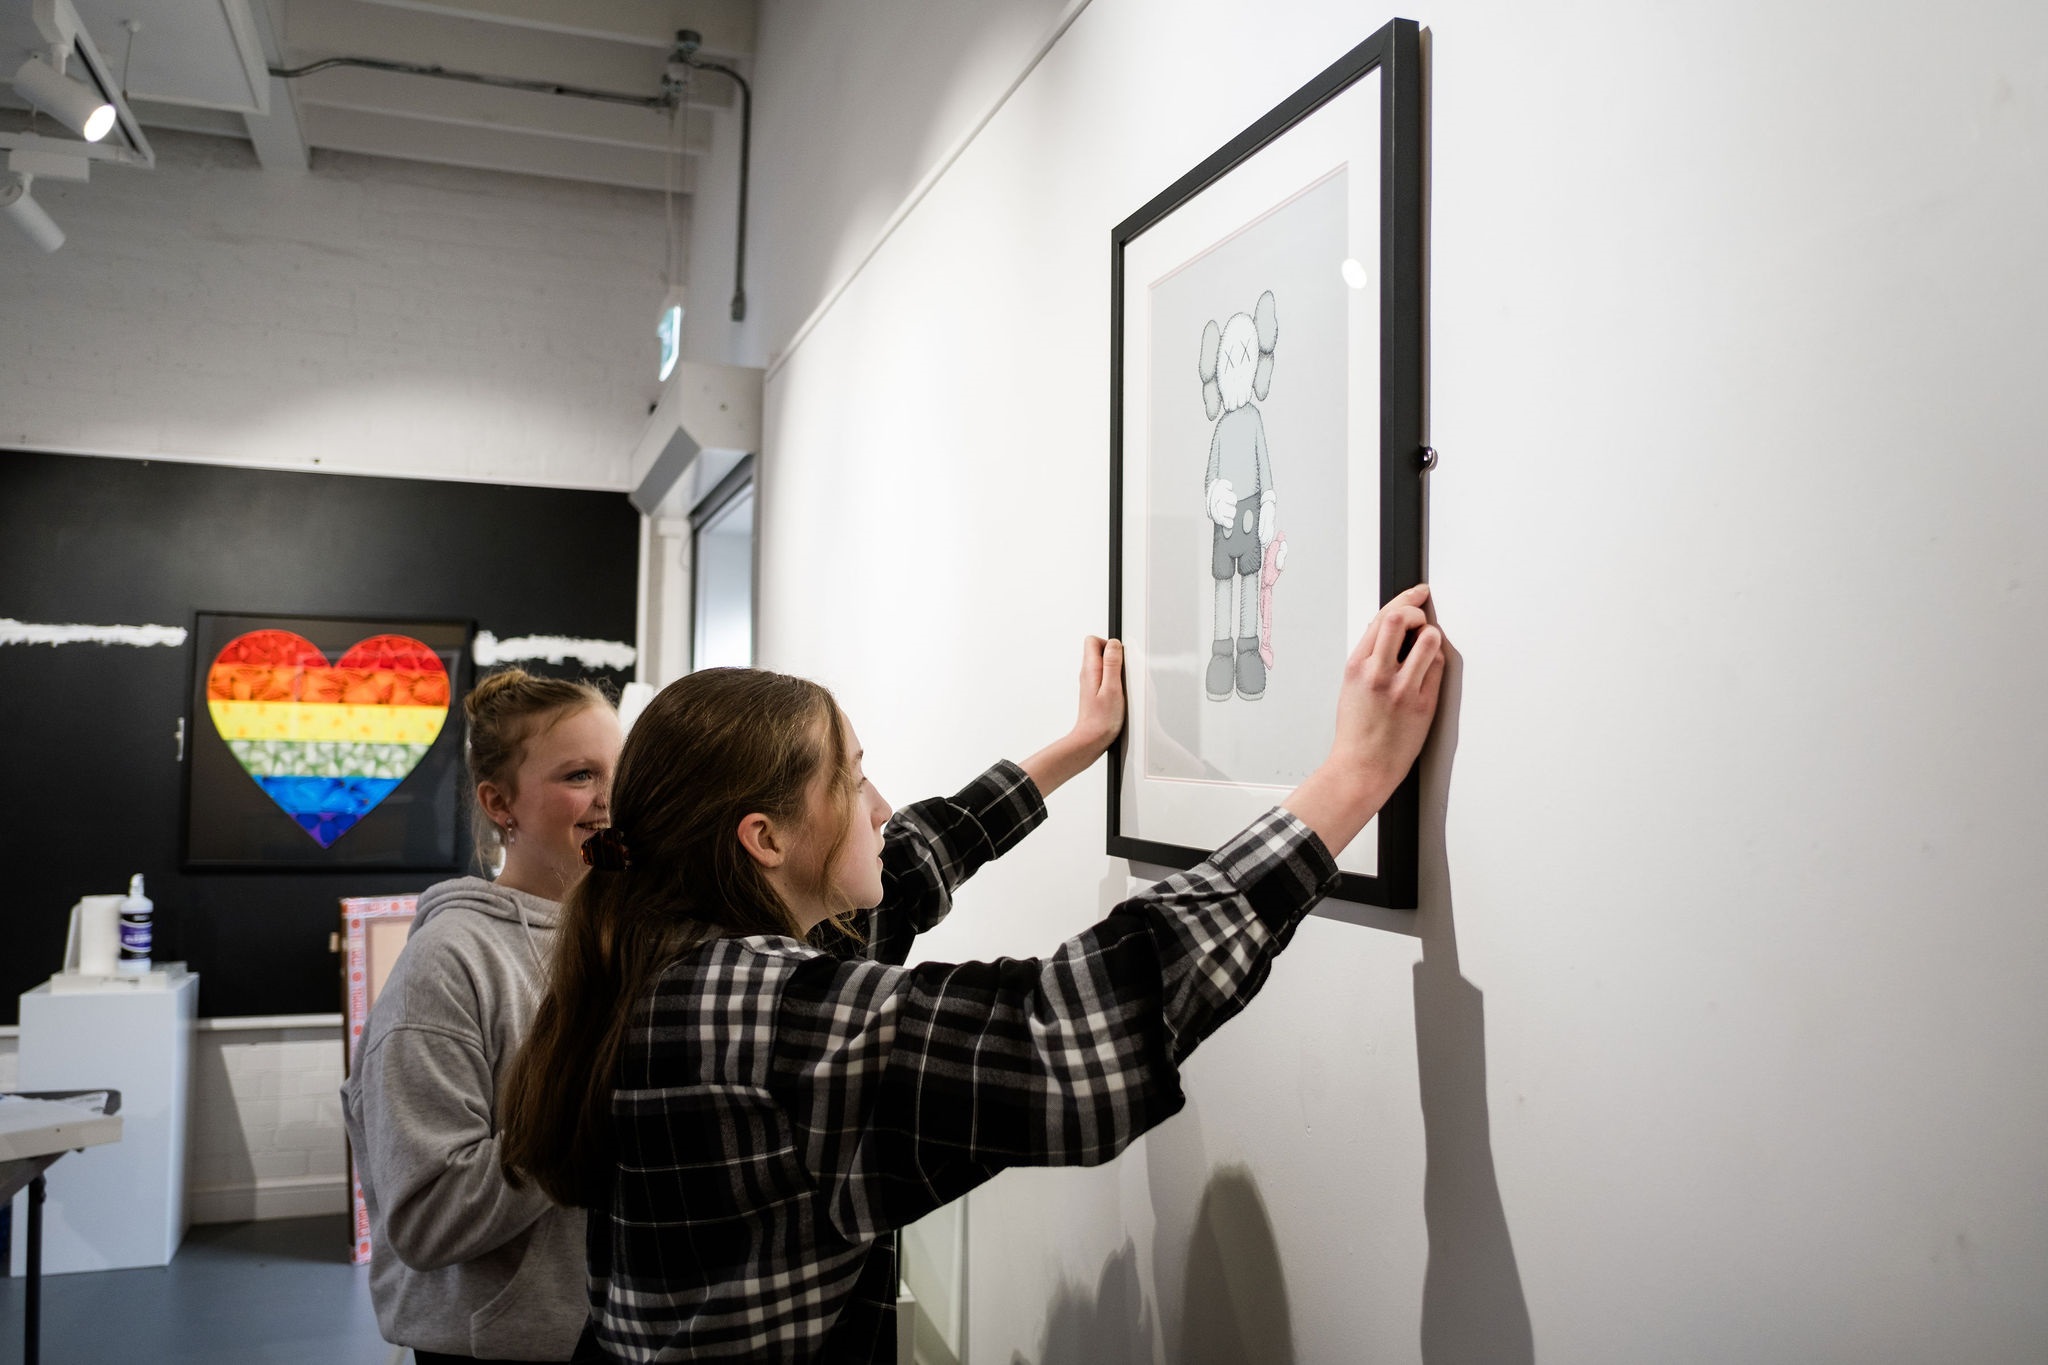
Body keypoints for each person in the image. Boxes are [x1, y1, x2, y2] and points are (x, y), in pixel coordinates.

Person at [499, 586, 1445, 1365]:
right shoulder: (748, 1009)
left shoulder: (665, 942)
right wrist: (1354, 774)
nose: (880, 803)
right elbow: (1064, 1041)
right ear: (764, 839)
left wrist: (1077, 744)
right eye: (852, 777)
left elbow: (910, 860)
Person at [341, 669, 623, 1365]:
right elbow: (427, 1214)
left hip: (619, 1332)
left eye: (623, 772)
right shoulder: (446, 963)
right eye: (580, 775)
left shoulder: (626, 934)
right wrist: (588, 1106)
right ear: (501, 803)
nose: (611, 801)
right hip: (503, 1346)